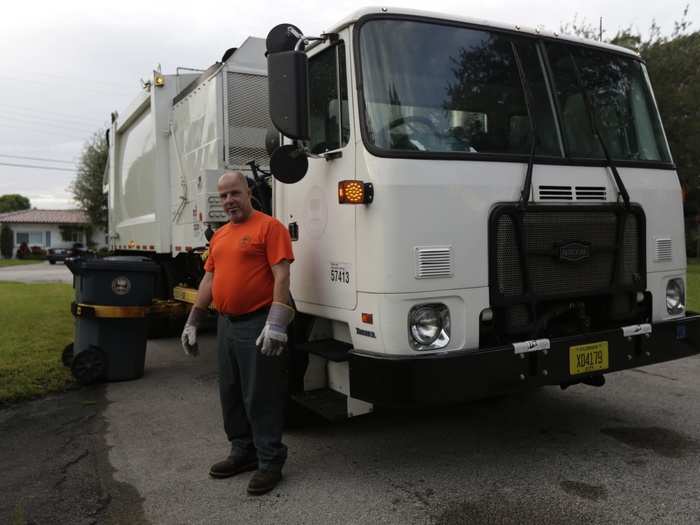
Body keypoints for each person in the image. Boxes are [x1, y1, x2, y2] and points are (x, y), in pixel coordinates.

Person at [180, 171, 295, 495]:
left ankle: (270, 461)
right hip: (226, 324)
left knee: (260, 394)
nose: (229, 200)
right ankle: (243, 451)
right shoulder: (219, 236)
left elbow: (282, 276)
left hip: (257, 322)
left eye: (235, 193)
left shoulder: (270, 228)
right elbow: (208, 281)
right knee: (230, 392)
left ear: (248, 192)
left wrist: (275, 322)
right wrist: (193, 319)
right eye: (223, 196)